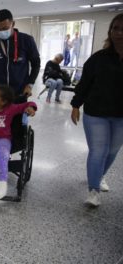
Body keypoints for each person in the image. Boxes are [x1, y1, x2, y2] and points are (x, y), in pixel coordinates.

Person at [70, 13, 123, 207]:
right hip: (96, 112)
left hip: (121, 115)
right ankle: (93, 190)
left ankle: (99, 176)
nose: (118, 33)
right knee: (98, 151)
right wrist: (75, 105)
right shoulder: (99, 58)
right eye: (115, 28)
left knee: (112, 150)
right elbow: (84, 83)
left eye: (122, 29)